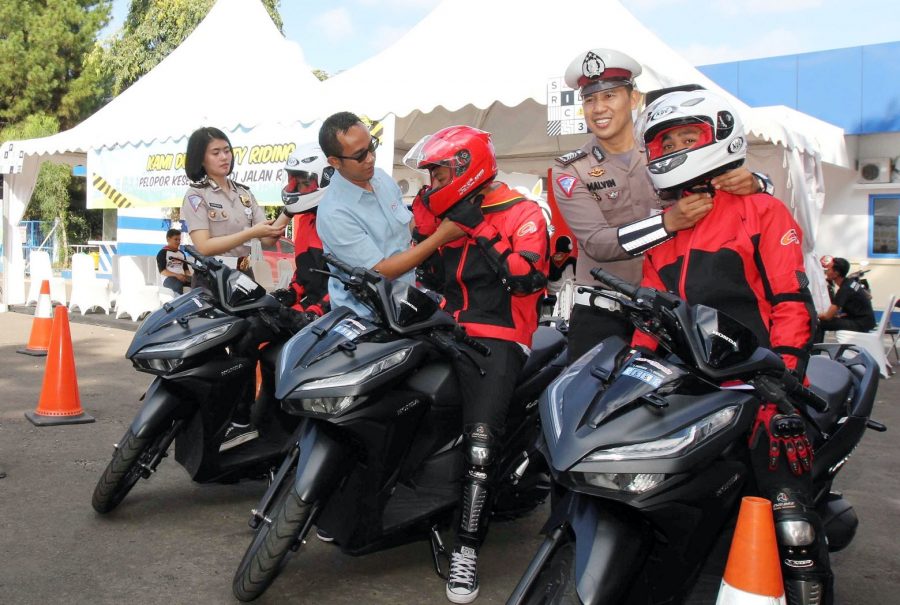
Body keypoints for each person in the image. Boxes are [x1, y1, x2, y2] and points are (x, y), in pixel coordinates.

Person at [631, 89, 830, 605]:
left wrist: (783, 383)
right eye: (665, 140)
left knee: (791, 519)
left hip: (766, 384)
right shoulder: (668, 227)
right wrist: (634, 372)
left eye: (686, 137)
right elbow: (653, 319)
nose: (674, 146)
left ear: (717, 136)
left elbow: (791, 305)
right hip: (695, 391)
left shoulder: (760, 208)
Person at [551, 48, 773, 361]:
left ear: (633, 99)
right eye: (590, 100)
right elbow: (598, 244)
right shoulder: (571, 168)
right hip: (601, 317)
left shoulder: (665, 148)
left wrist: (759, 183)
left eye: (610, 96)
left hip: (669, 314)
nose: (598, 108)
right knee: (587, 407)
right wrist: (668, 223)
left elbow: (719, 183)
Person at [404, 126, 549, 603]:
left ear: (467, 168)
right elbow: (422, 265)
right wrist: (429, 212)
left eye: (439, 170)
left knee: (481, 446)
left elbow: (528, 280)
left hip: (498, 337)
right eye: (429, 173)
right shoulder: (438, 209)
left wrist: (481, 228)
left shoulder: (523, 211)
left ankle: (466, 550)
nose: (431, 180)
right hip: (443, 327)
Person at [180, 126, 290, 451]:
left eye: (227, 150)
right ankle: (204, 422)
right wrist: (250, 233)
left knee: (247, 348)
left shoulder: (244, 193)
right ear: (200, 158)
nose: (224, 157)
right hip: (212, 281)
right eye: (216, 152)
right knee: (210, 352)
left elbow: (268, 237)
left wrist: (291, 208)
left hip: (245, 282)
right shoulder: (196, 195)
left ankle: (241, 419)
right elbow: (205, 245)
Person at [315, 112, 462, 318]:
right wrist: (441, 236)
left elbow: (408, 224)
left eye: (372, 147)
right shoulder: (334, 213)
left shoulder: (381, 178)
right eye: (360, 155)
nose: (370, 158)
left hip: (404, 301)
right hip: (367, 317)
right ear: (335, 161)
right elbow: (380, 273)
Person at [275, 143, 332, 318]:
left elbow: (348, 282)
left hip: (334, 312)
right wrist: (292, 292)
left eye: (305, 183)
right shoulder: (305, 219)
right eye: (296, 182)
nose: (298, 189)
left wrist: (318, 309)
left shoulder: (338, 221)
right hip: (310, 306)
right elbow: (304, 271)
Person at [815, 257, 876, 342]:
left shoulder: (845, 289)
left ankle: (815, 351)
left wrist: (813, 315)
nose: (826, 271)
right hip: (867, 321)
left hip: (861, 324)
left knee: (818, 323)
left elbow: (827, 316)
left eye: (828, 269)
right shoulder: (851, 283)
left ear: (836, 273)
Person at [156, 228, 192, 296]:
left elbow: (186, 269)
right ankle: (179, 304)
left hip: (182, 277)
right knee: (177, 285)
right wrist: (177, 276)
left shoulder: (181, 253)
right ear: (168, 239)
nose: (178, 242)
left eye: (179, 240)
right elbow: (162, 271)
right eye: (176, 239)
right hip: (169, 278)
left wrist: (190, 277)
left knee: (199, 284)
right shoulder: (162, 253)